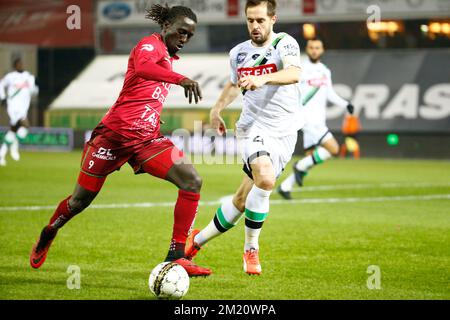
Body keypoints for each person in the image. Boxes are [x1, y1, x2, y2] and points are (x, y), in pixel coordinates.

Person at [29, 4, 211, 277]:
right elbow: (144, 68)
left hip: (147, 141)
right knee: (79, 202)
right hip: (111, 139)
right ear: (166, 28)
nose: (184, 39)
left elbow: (146, 95)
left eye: (189, 36)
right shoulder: (149, 46)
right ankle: (49, 231)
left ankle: (176, 256)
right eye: (181, 32)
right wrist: (180, 79)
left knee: (192, 180)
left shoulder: (170, 56)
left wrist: (150, 117)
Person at [184, 0, 303, 275]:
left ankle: (196, 241)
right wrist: (217, 108)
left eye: (260, 20)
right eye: (250, 20)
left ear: (273, 19)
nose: (255, 26)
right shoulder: (238, 53)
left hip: (285, 131)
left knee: (241, 199)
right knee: (265, 178)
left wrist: (263, 79)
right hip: (253, 127)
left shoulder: (285, 43)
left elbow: (294, 73)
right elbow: (234, 83)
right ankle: (251, 248)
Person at [277, 39, 354, 200]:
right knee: (333, 148)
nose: (314, 50)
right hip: (307, 119)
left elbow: (330, 93)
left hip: (319, 119)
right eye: (311, 47)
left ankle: (285, 186)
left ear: (322, 50)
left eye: (317, 47)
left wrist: (345, 104)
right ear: (307, 49)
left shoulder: (325, 71)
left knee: (310, 157)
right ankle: (298, 166)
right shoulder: (300, 68)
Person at [0, 58, 38, 166]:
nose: (21, 65)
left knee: (12, 131)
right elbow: (1, 84)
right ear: (15, 66)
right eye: (18, 64)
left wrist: (35, 87)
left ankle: (1, 155)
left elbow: (33, 90)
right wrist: (2, 97)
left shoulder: (28, 76)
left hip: (24, 108)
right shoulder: (11, 77)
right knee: (25, 126)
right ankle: (15, 145)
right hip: (14, 107)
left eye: (21, 64)